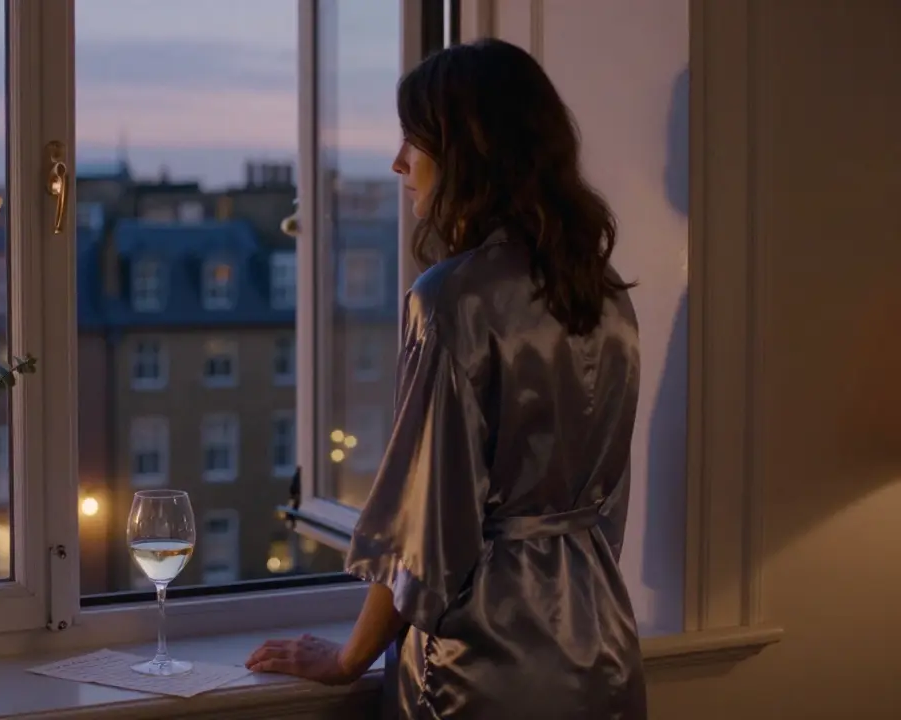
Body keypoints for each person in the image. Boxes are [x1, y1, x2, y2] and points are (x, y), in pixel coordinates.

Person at [246, 38, 647, 719]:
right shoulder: (603, 293)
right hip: (601, 641)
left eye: (414, 139)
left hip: (482, 660)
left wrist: (349, 658)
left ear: (467, 151)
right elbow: (609, 506)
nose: (399, 162)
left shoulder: (451, 298)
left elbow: (426, 520)